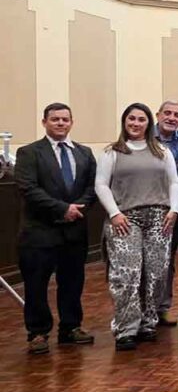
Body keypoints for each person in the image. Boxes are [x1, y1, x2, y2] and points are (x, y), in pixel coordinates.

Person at [95, 103, 178, 351]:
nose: (135, 123)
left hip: (159, 217)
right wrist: (114, 213)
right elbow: (101, 185)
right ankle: (126, 329)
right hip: (125, 219)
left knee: (156, 273)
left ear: (148, 123)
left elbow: (174, 182)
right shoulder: (112, 152)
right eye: (131, 119)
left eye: (141, 119)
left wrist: (173, 209)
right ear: (124, 122)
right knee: (127, 275)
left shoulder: (162, 151)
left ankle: (148, 323)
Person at [15, 103, 98, 354]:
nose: (60, 123)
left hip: (74, 231)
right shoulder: (29, 153)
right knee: (36, 285)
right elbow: (28, 189)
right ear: (44, 123)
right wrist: (63, 208)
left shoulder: (84, 153)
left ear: (72, 122)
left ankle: (71, 327)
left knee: (72, 282)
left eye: (65, 119)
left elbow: (92, 187)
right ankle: (38, 333)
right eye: (55, 119)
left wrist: (78, 208)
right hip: (40, 231)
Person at [154, 99, 178, 327]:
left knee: (167, 261)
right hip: (152, 204)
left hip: (177, 208)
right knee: (147, 262)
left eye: (176, 115)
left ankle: (162, 308)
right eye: (167, 113)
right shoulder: (144, 137)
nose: (171, 118)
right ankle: (143, 307)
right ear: (158, 115)